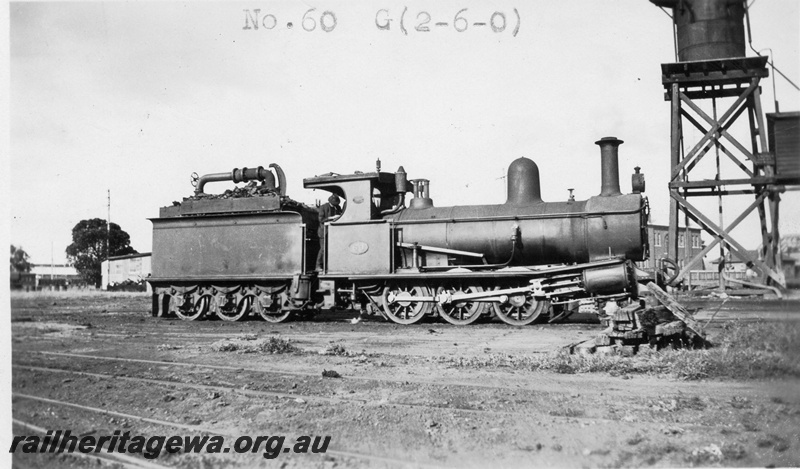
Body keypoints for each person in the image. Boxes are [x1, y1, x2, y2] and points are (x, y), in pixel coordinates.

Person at [316, 194, 342, 270]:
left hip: (333, 232)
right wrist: (332, 218)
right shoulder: (323, 207)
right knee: (323, 249)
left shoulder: (338, 207)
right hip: (324, 231)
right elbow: (321, 219)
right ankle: (318, 266)